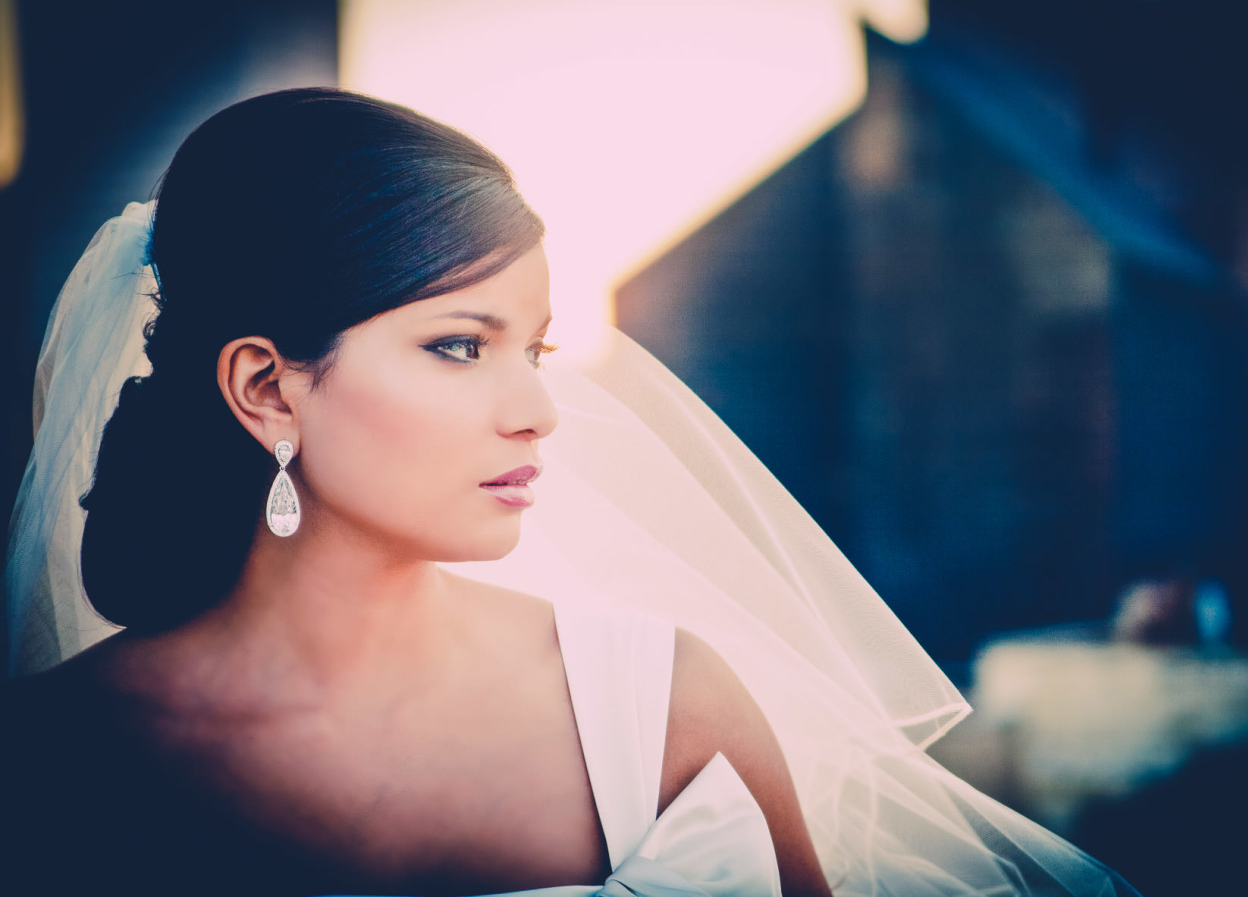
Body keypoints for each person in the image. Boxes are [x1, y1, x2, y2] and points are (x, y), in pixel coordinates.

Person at [3, 88, 1137, 896]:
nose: (538, 412)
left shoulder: (662, 702)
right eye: (458, 345)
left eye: (533, 352)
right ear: (266, 386)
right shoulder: (64, 762)